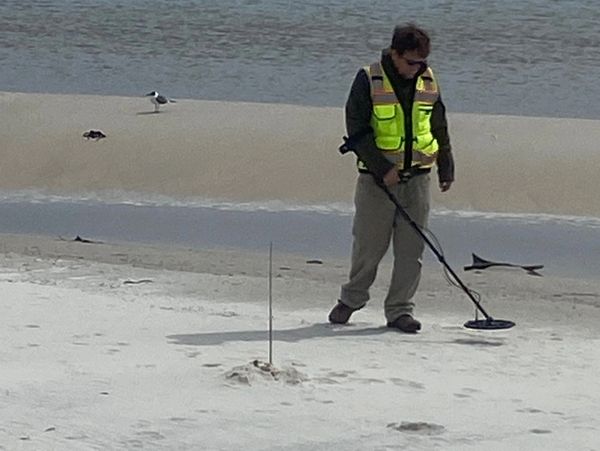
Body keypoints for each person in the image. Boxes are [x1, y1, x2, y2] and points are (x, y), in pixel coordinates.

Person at [329, 24, 454, 333]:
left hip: (418, 179)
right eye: (411, 61)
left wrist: (446, 163)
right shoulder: (368, 79)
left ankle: (400, 311)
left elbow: (438, 123)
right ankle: (352, 299)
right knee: (369, 245)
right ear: (395, 54)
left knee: (412, 250)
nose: (417, 68)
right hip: (377, 181)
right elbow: (356, 129)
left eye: (422, 62)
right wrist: (381, 168)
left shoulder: (428, 78)